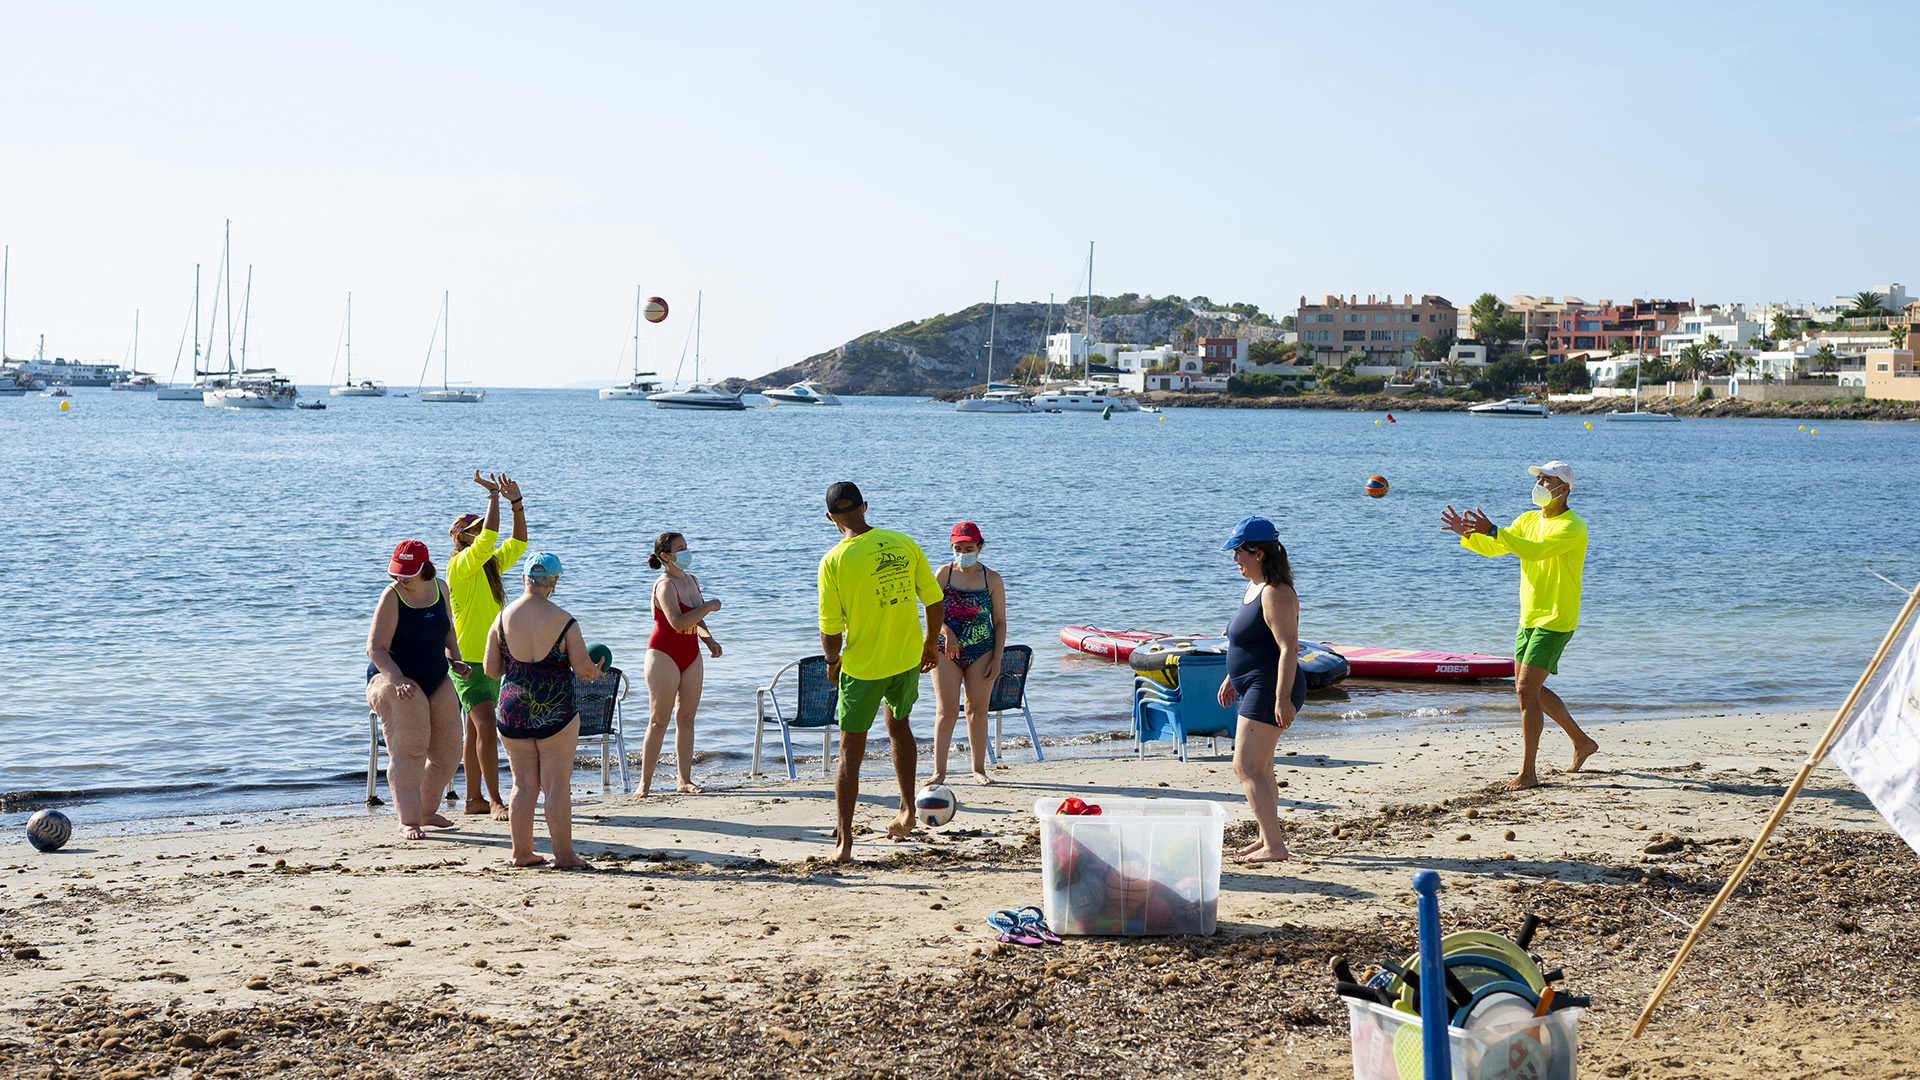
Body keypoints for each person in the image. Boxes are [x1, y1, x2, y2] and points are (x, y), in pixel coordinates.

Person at [1442, 460, 1599, 790]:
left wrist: (1494, 530)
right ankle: (1582, 742)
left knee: (1526, 691)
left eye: (1547, 479)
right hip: (1528, 616)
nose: (1540, 483)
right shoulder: (1527, 520)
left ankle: (1528, 773)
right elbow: (1499, 548)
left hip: (1556, 618)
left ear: (1564, 488)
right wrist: (1470, 536)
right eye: (1539, 477)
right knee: (1531, 690)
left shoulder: (1573, 526)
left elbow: (1535, 552)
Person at [816, 481, 944, 862]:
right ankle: (906, 811)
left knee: (849, 753)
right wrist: (929, 643)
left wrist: (832, 663)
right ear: (865, 507)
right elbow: (934, 600)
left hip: (863, 666)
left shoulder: (834, 561)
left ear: (829, 518)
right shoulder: (902, 542)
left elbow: (830, 628)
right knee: (899, 727)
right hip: (906, 660)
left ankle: (845, 843)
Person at [483, 553, 603, 868]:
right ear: (555, 581)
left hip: (513, 709)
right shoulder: (565, 621)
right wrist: (597, 669)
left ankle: (521, 853)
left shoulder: (501, 618)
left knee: (523, 784)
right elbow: (583, 671)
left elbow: (492, 670)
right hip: (555, 710)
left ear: (524, 579)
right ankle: (564, 856)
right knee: (556, 785)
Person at [365, 540, 469, 841]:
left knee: (449, 752)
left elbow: (447, 628)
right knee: (411, 748)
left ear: (425, 567)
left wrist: (456, 658)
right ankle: (408, 821)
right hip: (390, 678)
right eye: (397, 572)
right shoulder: (392, 596)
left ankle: (425, 810)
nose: (401, 578)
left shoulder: (440, 587)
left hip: (436, 675)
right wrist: (398, 680)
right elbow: (375, 648)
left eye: (407, 572)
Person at [1214, 517, 1304, 864]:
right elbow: (1249, 643)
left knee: (1246, 767)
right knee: (1261, 768)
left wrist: (1281, 698)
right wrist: (1230, 678)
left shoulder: (1276, 592)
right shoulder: (1254, 587)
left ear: (1260, 553)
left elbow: (1287, 648)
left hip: (1272, 687)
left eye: (1239, 552)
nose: (1235, 559)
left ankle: (1275, 847)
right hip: (1255, 684)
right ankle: (1268, 837)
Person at [446, 471, 527, 821]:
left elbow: (518, 543)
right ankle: (495, 800)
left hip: (493, 660)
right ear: (462, 538)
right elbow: (490, 538)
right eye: (475, 530)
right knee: (486, 726)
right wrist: (494, 496)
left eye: (481, 527)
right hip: (466, 662)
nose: (482, 533)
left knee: (474, 730)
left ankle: (473, 799)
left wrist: (517, 505)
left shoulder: (489, 566)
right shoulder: (459, 566)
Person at [641, 531, 723, 796]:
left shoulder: (691, 580)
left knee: (686, 718)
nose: (687, 551)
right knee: (659, 721)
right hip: (663, 654)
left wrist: (708, 639)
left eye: (687, 546)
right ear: (665, 556)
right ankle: (645, 783)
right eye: (681, 548)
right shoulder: (665, 585)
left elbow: (696, 620)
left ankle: (684, 781)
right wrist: (709, 606)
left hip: (692, 653)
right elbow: (677, 623)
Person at [929, 521, 1006, 787]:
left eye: (969, 547)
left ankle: (978, 769)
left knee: (977, 710)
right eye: (958, 548)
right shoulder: (943, 574)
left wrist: (997, 658)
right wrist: (946, 632)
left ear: (980, 547)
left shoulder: (991, 578)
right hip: (945, 651)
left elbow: (1000, 622)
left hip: (982, 650)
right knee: (946, 711)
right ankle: (939, 772)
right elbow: (930, 613)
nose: (964, 552)